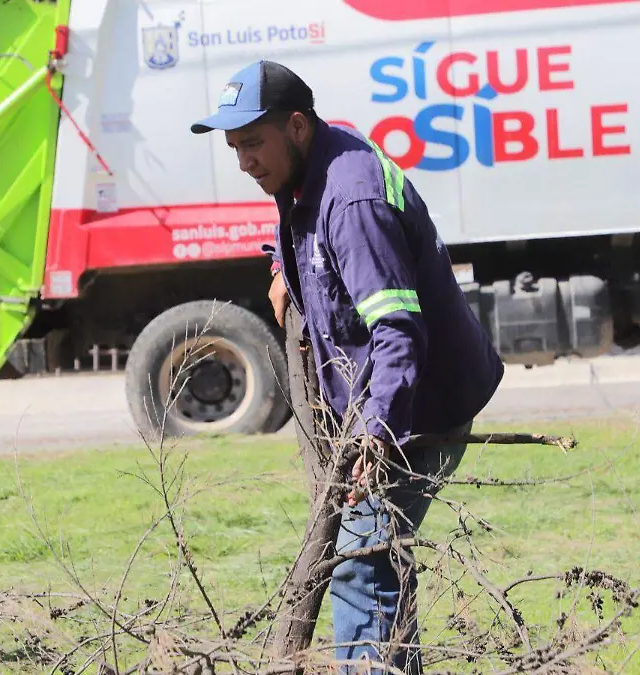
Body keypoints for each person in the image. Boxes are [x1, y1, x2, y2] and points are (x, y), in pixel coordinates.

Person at [190, 60, 505, 673]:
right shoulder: (304, 174)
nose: (244, 162)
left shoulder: (353, 196)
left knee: (362, 564)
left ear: (298, 126)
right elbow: (304, 239)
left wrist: (376, 435)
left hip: (418, 404)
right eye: (234, 148)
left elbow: (396, 330)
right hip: (386, 396)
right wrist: (282, 268)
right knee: (375, 560)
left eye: (252, 144)